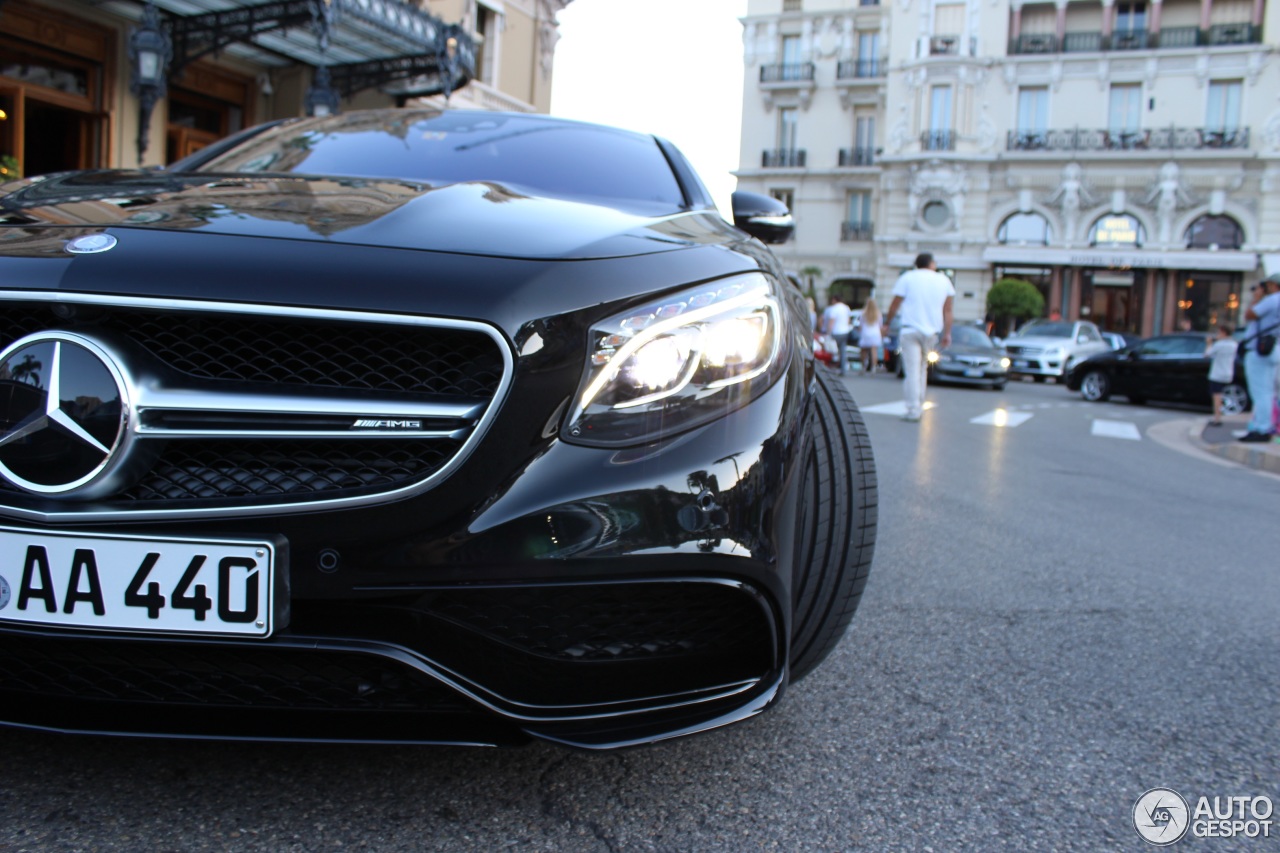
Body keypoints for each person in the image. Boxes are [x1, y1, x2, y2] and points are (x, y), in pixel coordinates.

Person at [882, 253, 954, 421]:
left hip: (910, 329)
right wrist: (947, 333)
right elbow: (948, 310)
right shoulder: (943, 280)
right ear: (932, 264)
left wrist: (888, 323)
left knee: (912, 371)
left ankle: (913, 408)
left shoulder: (908, 278)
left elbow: (895, 304)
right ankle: (919, 404)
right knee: (922, 369)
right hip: (932, 332)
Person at [1239, 274, 1280, 442]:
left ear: (1272, 285)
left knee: (1260, 391)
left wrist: (1256, 298)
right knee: (1268, 391)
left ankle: (1262, 428)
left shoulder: (1272, 300)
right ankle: (1263, 425)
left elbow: (1249, 315)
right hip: (1273, 347)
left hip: (1259, 350)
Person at [1205, 324, 1238, 427]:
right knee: (1223, 396)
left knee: (1216, 397)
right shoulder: (1234, 344)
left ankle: (1217, 418)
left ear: (1223, 332)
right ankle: (1220, 415)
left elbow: (1207, 354)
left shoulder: (1219, 344)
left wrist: (1209, 343)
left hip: (1217, 374)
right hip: (1228, 373)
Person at [820, 294, 854, 376]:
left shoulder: (834, 309)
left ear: (834, 300)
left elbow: (831, 322)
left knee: (831, 349)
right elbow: (849, 320)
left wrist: (828, 332)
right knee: (842, 351)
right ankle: (843, 369)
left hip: (836, 332)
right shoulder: (846, 308)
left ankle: (829, 368)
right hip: (845, 331)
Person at [859, 298, 883, 374]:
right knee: (874, 351)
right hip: (875, 333)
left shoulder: (863, 313)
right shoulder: (878, 313)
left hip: (866, 332)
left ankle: (863, 367)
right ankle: (873, 368)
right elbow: (880, 325)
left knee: (864, 351)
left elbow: (861, 324)